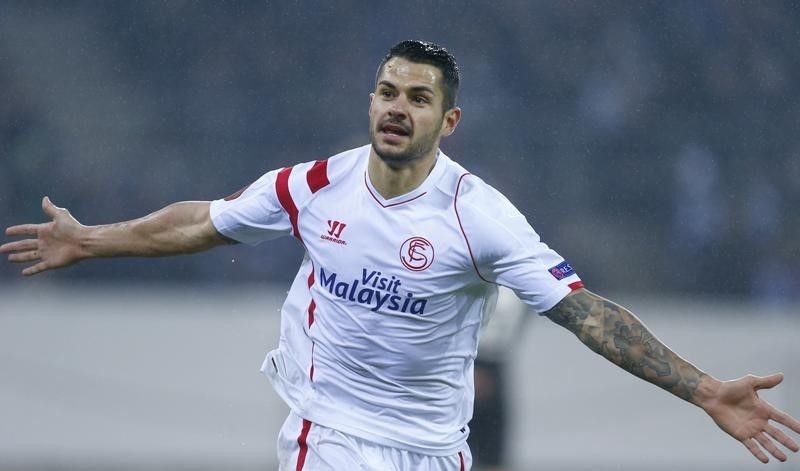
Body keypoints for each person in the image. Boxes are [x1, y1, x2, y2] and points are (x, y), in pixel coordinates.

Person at [2, 40, 799, 470]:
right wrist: (92, 239)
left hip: (436, 449)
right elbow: (206, 222)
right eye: (387, 91)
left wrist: (702, 390)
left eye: (418, 97)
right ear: (371, 98)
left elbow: (585, 313)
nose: (396, 107)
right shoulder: (317, 184)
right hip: (332, 432)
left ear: (447, 121)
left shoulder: (477, 216)